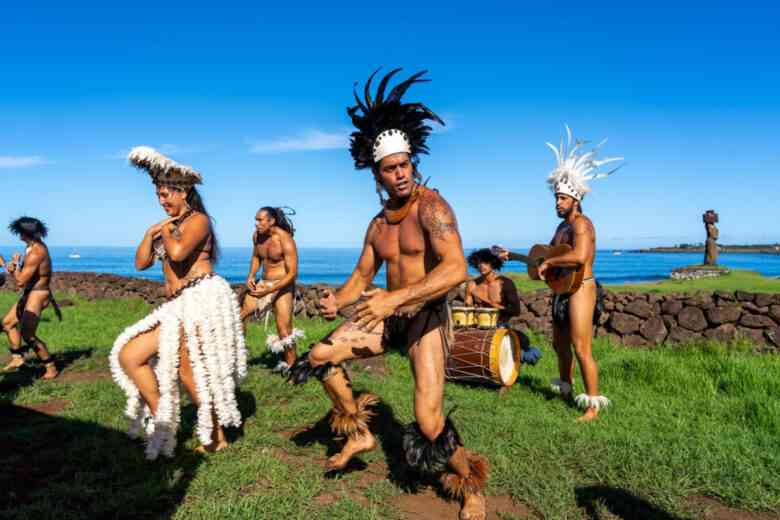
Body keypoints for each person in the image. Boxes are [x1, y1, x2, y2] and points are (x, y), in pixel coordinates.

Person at [287, 68, 488, 520]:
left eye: (405, 165)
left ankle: (470, 483)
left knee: (430, 422)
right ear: (377, 174)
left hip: (427, 319)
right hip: (388, 315)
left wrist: (394, 300)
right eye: (390, 169)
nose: (400, 175)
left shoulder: (433, 207)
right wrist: (338, 300)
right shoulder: (378, 226)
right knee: (318, 356)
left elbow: (456, 269)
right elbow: (361, 276)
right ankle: (358, 433)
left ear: (412, 162)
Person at [109, 146, 248, 459]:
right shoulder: (166, 227)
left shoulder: (198, 220)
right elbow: (141, 263)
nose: (162, 201)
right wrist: (149, 234)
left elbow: (178, 253)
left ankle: (216, 436)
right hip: (177, 305)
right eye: (158, 195)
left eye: (167, 194)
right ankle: (165, 421)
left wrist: (167, 229)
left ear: (184, 192)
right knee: (130, 356)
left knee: (189, 372)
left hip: (201, 299)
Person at [534, 126, 620, 421]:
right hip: (563, 290)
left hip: (582, 288)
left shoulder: (582, 224)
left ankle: (593, 406)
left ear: (575, 200)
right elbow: (552, 256)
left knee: (582, 347)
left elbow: (580, 256)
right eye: (556, 198)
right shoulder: (561, 227)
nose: (557, 203)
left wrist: (550, 264)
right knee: (559, 343)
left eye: (562, 199)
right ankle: (566, 387)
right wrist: (532, 261)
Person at [240, 206, 302, 374]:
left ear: (271, 221)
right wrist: (251, 275)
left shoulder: (285, 239)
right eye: (256, 220)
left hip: (282, 285)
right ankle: (238, 358)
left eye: (260, 220)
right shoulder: (257, 236)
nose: (256, 224)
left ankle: (292, 368)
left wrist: (270, 290)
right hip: (263, 282)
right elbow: (256, 257)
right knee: (239, 317)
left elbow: (292, 273)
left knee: (284, 330)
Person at [1, 217, 62, 380]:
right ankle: (17, 358)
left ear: (24, 232)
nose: (17, 234)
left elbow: (21, 281)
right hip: (31, 292)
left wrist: (14, 266)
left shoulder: (36, 252)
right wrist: (14, 264)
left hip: (38, 293)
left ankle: (51, 367)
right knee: (8, 323)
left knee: (28, 334)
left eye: (19, 231)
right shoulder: (31, 245)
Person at [465, 248, 541, 365]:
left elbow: (516, 311)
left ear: (493, 263)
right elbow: (467, 310)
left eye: (485, 262)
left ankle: (527, 354)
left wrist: (494, 306)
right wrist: (470, 300)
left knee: (524, 347)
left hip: (500, 325)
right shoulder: (472, 284)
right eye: (479, 263)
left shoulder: (505, 283)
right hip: (477, 326)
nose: (481, 266)